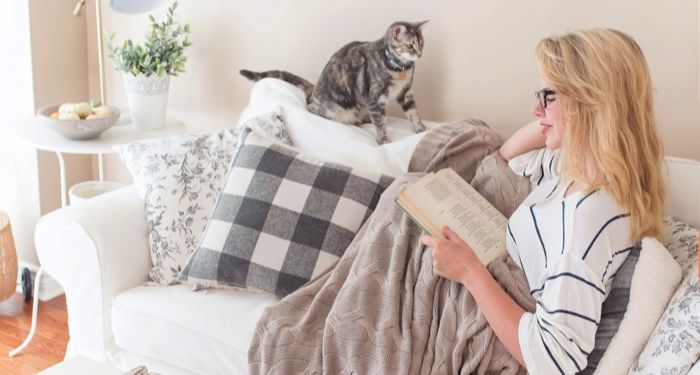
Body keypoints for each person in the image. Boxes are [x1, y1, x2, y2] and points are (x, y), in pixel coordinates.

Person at [421, 28, 666, 374]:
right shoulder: (583, 170)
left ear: (590, 104)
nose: (535, 109)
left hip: (490, 312)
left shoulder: (587, 218)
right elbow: (507, 160)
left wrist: (470, 272)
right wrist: (559, 119)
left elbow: (554, 358)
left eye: (548, 96)